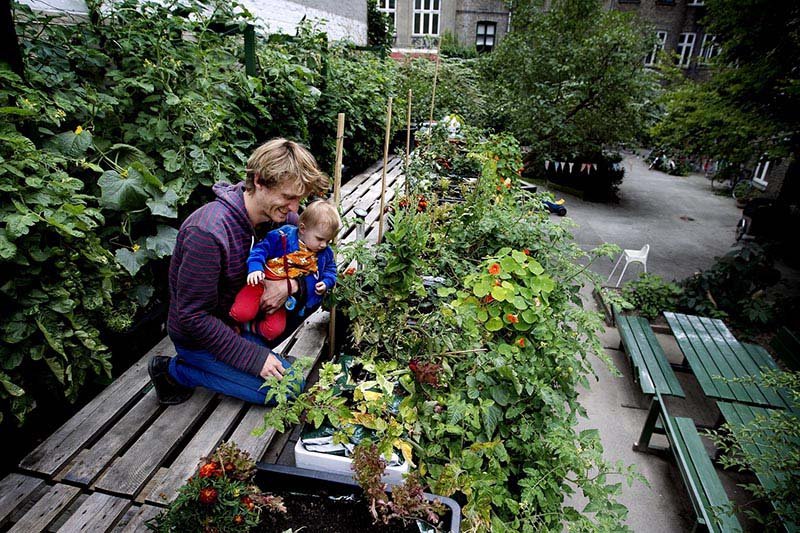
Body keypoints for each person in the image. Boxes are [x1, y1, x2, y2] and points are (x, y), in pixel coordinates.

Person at [148, 138, 329, 405]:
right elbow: (192, 317)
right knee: (290, 388)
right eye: (289, 197)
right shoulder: (208, 233)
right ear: (259, 181)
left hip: (244, 321)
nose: (295, 208)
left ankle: (250, 352)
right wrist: (254, 359)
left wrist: (291, 286)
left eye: (299, 199)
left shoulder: (285, 222)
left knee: (313, 290)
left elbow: (322, 266)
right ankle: (176, 371)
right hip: (201, 339)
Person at [229, 199, 340, 341]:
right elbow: (261, 249)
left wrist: (327, 281)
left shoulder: (324, 253)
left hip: (284, 299)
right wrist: (255, 267)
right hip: (261, 282)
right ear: (303, 229)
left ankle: (249, 328)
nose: (324, 245)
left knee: (274, 330)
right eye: (320, 239)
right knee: (241, 312)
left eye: (328, 241)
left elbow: (331, 269)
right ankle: (232, 323)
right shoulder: (283, 236)